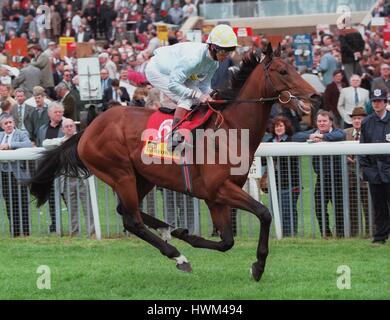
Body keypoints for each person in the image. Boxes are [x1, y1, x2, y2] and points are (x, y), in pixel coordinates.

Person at [145, 24, 238, 145]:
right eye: (223, 51)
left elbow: (204, 87)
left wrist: (213, 94)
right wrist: (197, 95)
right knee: (188, 98)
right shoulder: (193, 59)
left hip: (179, 73)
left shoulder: (214, 63)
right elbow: (173, 85)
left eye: (229, 51)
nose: (226, 56)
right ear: (212, 47)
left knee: (199, 98)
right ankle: (174, 137)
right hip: (158, 70)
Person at [293, 110, 346, 237]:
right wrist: (310, 137)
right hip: (321, 178)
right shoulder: (313, 133)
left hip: (338, 177)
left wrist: (323, 137)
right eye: (319, 121)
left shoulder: (337, 132)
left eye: (324, 121)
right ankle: (325, 233)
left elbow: (341, 135)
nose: (321, 123)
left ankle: (340, 234)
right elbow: (296, 136)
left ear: (331, 122)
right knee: (319, 207)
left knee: (339, 208)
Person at [42, 118, 95, 237]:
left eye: (71, 126)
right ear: (62, 129)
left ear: (75, 128)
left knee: (88, 206)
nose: (69, 128)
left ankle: (92, 232)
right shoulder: (61, 141)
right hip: (67, 179)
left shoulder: (81, 139)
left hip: (82, 178)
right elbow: (45, 143)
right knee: (72, 208)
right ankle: (74, 232)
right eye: (67, 126)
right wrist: (60, 142)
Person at [359, 88, 390, 245]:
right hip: (374, 171)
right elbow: (362, 146)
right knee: (378, 205)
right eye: (375, 101)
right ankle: (380, 236)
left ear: (385, 102)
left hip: (389, 169)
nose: (377, 104)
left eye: (380, 101)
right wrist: (365, 168)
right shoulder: (366, 122)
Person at [264, 116, 300, 236]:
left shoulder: (291, 140)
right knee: (276, 211)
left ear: (286, 127)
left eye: (281, 126)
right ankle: (282, 234)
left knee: (288, 211)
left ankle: (290, 234)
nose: (278, 128)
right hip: (274, 183)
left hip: (290, 183)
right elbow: (264, 161)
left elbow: (293, 160)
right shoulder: (269, 142)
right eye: (276, 126)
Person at [0, 114, 32, 237]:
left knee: (22, 202)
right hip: (4, 174)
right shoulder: (0, 136)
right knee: (9, 203)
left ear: (14, 123)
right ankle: (15, 231)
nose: (8, 125)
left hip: (19, 174)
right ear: (2, 126)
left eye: (10, 122)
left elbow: (28, 144)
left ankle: (26, 231)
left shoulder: (21, 134)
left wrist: (10, 145)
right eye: (5, 123)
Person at [36, 101, 65, 233]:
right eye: (56, 112)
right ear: (49, 114)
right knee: (52, 198)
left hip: (63, 167)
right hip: (48, 168)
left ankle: (74, 224)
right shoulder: (42, 129)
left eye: (61, 112)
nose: (59, 114)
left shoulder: (66, 126)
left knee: (67, 196)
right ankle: (54, 223)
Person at [344, 106, 370, 237]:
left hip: (366, 178)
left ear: (365, 119)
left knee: (369, 207)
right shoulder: (345, 133)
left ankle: (371, 233)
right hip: (350, 179)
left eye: (359, 118)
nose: (357, 121)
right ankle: (354, 235)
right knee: (353, 208)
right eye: (354, 118)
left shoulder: (370, 132)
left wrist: (359, 159)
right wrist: (345, 157)